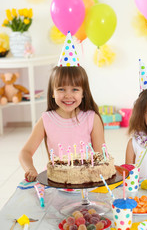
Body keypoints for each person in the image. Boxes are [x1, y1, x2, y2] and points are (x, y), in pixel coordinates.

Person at [19, 33, 105, 182]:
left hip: (87, 181)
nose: (68, 95)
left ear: (84, 93)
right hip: (57, 181)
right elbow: (25, 152)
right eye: (61, 89)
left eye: (75, 89)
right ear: (52, 92)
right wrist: (30, 169)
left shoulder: (92, 118)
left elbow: (101, 156)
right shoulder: (46, 120)